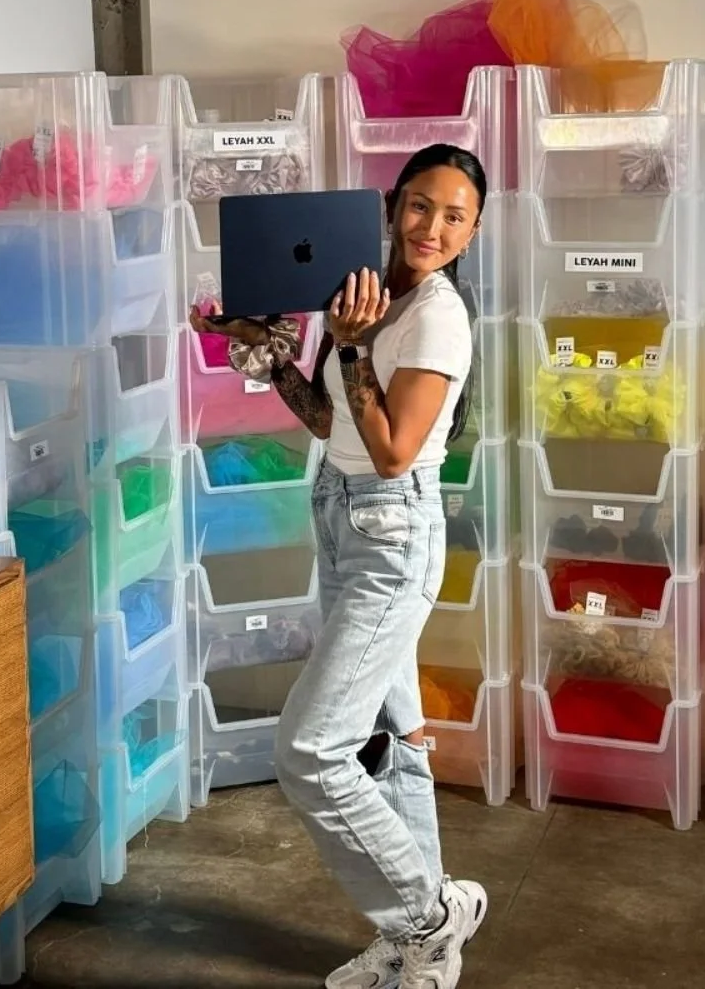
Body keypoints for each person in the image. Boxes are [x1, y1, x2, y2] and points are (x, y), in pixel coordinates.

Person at [190, 143, 489, 989]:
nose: (434, 226)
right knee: (396, 741)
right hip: (340, 517)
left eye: (455, 215)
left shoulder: (436, 315)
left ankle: (431, 916)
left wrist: (355, 348)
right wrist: (269, 354)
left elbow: (393, 451)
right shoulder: (361, 291)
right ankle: (418, 955)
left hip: (394, 536)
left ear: (472, 232)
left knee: (312, 748)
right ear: (392, 206)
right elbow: (330, 422)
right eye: (422, 205)